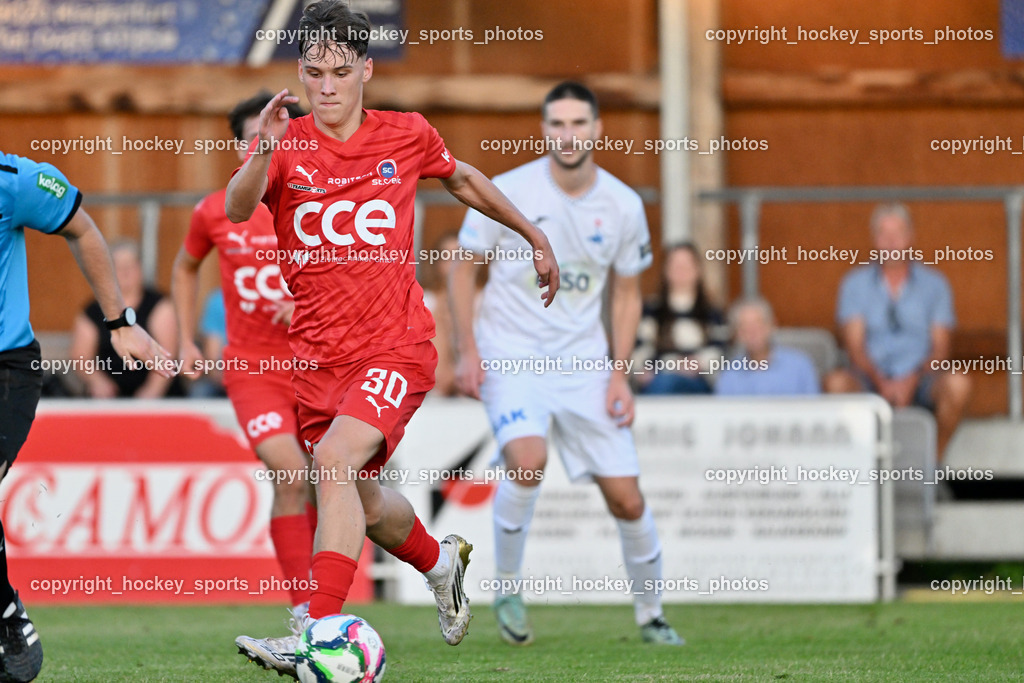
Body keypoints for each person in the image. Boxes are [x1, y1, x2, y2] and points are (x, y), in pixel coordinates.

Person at [225, 2, 558, 676]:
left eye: (341, 71)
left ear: (366, 70)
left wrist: (533, 233)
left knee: (336, 463)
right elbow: (236, 207)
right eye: (314, 72)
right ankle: (443, 564)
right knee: (360, 499)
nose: (327, 86)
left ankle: (315, 628)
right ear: (300, 73)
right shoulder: (284, 147)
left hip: (395, 347)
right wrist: (261, 145)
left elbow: (462, 178)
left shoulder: (405, 135)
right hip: (317, 360)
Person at [450, 81, 683, 647]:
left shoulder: (624, 205)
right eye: (557, 123)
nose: (568, 134)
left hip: (584, 366)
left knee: (627, 498)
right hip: (513, 356)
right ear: (544, 129)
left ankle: (652, 615)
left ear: (597, 129)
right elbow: (460, 267)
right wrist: (467, 349)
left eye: (579, 123)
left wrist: (619, 372)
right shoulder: (507, 190)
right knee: (527, 460)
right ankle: (507, 587)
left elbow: (627, 295)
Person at [0, 151, 170, 682]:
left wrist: (119, 321)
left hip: (5, 367)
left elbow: (84, 228)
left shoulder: (12, 178)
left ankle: (6, 619)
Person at [171, 91, 316, 628]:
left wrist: (306, 300)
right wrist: (187, 339)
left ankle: (327, 601)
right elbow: (186, 268)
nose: (265, 146)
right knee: (290, 472)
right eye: (253, 139)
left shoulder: (323, 204)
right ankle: (304, 610)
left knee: (339, 486)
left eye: (275, 137)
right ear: (237, 148)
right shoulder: (215, 211)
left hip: (321, 365)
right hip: (254, 369)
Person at [825, 203, 971, 459]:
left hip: (923, 378)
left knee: (958, 384)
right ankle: (859, 466)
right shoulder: (854, 284)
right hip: (870, 378)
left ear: (911, 237)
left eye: (898, 233)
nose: (891, 242)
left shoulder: (935, 285)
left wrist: (911, 381)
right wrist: (881, 380)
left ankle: (931, 465)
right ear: (874, 239)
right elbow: (855, 346)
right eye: (884, 234)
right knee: (836, 384)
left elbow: (940, 347)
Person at [69, 240, 178, 398]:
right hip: (107, 398)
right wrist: (97, 381)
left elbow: (168, 354)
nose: (125, 272)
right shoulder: (92, 311)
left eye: (131, 265)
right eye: (118, 266)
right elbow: (81, 356)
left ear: (140, 269)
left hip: (156, 398)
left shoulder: (160, 306)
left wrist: (151, 393)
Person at [633, 243, 728, 394]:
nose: (681, 271)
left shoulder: (712, 312)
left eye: (687, 265)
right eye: (675, 265)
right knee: (665, 382)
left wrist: (698, 364)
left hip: (699, 383)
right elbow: (639, 350)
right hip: (659, 380)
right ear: (665, 271)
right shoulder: (651, 310)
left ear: (698, 270)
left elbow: (721, 351)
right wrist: (674, 366)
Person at [714, 297, 819, 395]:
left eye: (758, 325)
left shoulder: (800, 366)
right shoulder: (729, 373)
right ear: (736, 334)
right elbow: (723, 412)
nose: (752, 333)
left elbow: (815, 409)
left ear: (772, 325)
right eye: (744, 327)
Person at [420, 231, 466, 397]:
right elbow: (439, 375)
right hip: (439, 389)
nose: (455, 264)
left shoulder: (483, 301)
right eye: (448, 257)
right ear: (437, 263)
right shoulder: (426, 302)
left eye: (460, 256)